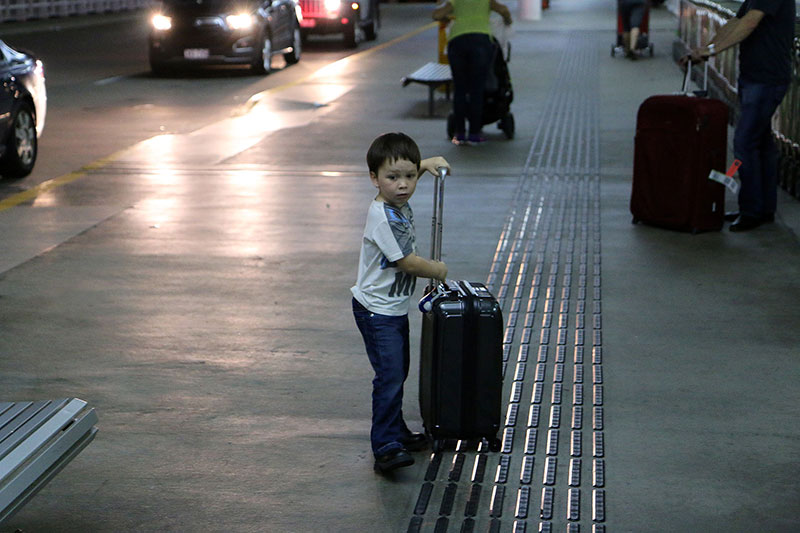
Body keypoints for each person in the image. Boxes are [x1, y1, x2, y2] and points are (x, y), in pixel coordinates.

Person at [351, 132, 450, 473]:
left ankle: (396, 431)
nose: (404, 185)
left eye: (410, 177)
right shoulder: (383, 216)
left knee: (398, 371)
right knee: (389, 376)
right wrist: (436, 269)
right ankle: (385, 445)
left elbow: (402, 173)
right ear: (374, 179)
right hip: (376, 311)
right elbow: (405, 262)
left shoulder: (394, 198)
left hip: (391, 309)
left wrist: (424, 164)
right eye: (393, 178)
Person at [683, 0, 795, 232]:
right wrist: (707, 50)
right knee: (762, 144)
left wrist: (712, 50)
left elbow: (751, 22)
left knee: (744, 143)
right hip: (754, 76)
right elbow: (736, 21)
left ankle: (751, 210)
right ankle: (764, 209)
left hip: (767, 78)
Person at [432, 0, 512, 145]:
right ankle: (474, 133)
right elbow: (504, 10)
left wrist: (446, 19)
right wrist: (508, 20)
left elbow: (437, 14)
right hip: (480, 42)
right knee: (477, 89)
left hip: (457, 42)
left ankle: (460, 133)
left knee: (460, 89)